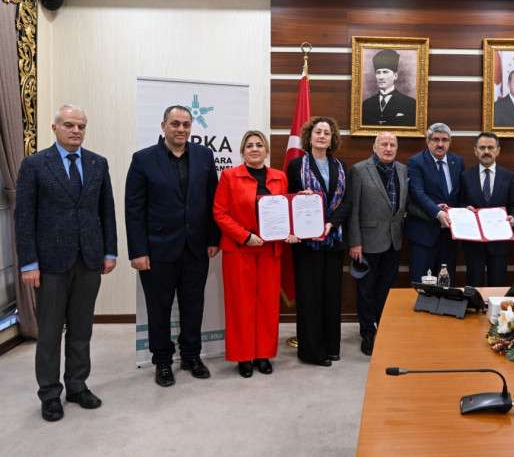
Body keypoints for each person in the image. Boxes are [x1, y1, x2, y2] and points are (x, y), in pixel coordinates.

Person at [15, 104, 117, 422]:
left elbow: (106, 211)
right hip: (50, 263)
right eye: (69, 125)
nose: (76, 131)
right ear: (55, 127)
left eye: (81, 126)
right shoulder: (34, 165)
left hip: (89, 260)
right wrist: (28, 263)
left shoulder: (98, 163)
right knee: (49, 332)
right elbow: (24, 217)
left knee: (81, 329)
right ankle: (49, 393)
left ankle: (76, 385)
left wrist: (110, 252)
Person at [125, 105, 220, 387]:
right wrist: (138, 251)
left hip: (196, 248)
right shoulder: (143, 159)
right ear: (163, 125)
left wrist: (213, 238)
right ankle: (163, 361)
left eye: (186, 124)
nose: (181, 129)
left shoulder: (204, 155)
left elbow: (213, 200)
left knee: (193, 306)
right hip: (157, 250)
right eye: (175, 123)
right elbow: (134, 209)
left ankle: (191, 356)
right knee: (159, 309)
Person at [213, 131, 298, 377]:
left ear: (266, 150)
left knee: (267, 305)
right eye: (249, 145)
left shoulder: (280, 177)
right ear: (242, 151)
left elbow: (286, 209)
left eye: (259, 145)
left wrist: (291, 229)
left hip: (271, 250)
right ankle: (244, 357)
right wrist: (244, 236)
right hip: (240, 250)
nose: (254, 148)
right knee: (241, 305)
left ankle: (263, 355)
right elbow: (220, 213)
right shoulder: (229, 176)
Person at [287, 116, 351, 367]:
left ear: (332, 138)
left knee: (331, 295)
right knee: (309, 296)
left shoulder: (341, 165)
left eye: (327, 132)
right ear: (309, 136)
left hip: (333, 239)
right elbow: (288, 198)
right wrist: (299, 197)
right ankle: (312, 352)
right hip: (306, 243)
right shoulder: (296, 166)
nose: (322, 136)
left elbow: (347, 201)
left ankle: (331, 347)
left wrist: (330, 224)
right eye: (318, 132)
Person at [348, 132, 408, 356]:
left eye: (393, 144)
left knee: (386, 289)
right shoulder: (359, 170)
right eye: (384, 144)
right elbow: (353, 210)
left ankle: (383, 329)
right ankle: (367, 333)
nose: (388, 148)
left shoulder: (402, 169)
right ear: (374, 147)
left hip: (394, 240)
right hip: (367, 242)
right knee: (366, 291)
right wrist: (355, 241)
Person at [459, 132, 514, 287]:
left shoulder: (509, 176)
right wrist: (465, 210)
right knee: (473, 287)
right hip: (473, 243)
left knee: (497, 287)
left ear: (498, 151)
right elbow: (460, 203)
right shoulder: (465, 176)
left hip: (500, 242)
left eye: (490, 147)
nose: (486, 151)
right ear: (475, 151)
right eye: (482, 147)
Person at [406, 123, 464, 282]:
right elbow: (417, 193)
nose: (440, 144)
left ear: (450, 142)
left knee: (446, 284)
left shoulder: (458, 161)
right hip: (424, 235)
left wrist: (465, 209)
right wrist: (438, 213)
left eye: (444, 140)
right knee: (422, 283)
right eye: (436, 139)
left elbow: (460, 193)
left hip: (449, 236)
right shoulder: (415, 162)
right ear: (428, 141)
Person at [361, 49, 416, 127]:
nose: (381, 77)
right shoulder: (366, 104)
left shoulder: (410, 104)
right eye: (378, 72)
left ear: (395, 76)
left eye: (385, 72)